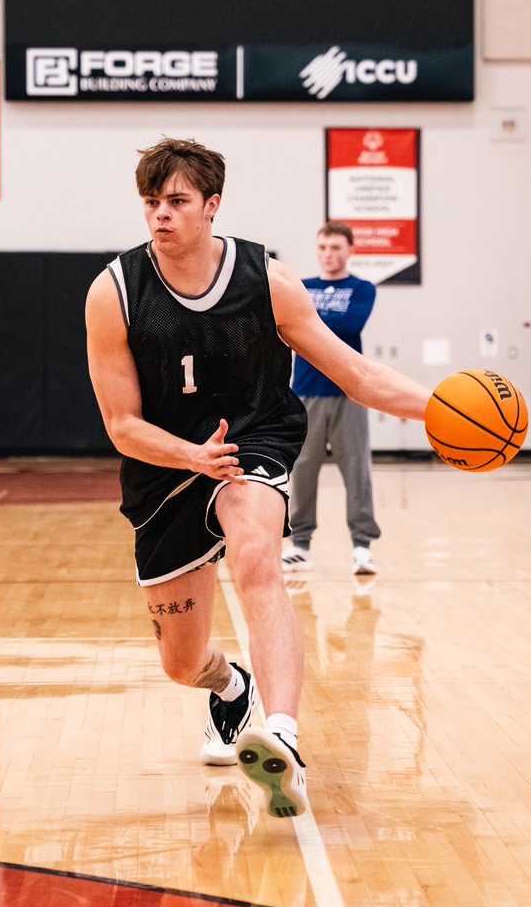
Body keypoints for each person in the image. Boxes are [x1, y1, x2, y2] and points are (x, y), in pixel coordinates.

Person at [84, 137, 431, 818]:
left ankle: (282, 735)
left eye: (177, 201)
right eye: (152, 202)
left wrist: (439, 407)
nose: (160, 215)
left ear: (212, 206)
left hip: (254, 439)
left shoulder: (266, 280)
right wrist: (188, 456)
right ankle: (230, 688)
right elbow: (122, 425)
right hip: (165, 464)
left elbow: (356, 375)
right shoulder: (114, 292)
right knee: (181, 663)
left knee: (255, 559)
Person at [282, 221, 381, 577]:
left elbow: (350, 326)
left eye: (336, 247)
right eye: (323, 247)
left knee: (356, 470)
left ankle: (362, 546)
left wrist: (305, 322)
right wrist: (306, 324)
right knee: (303, 470)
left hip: (349, 392)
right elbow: (287, 327)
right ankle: (300, 545)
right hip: (305, 393)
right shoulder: (302, 287)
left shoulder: (362, 288)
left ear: (350, 250)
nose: (329, 254)